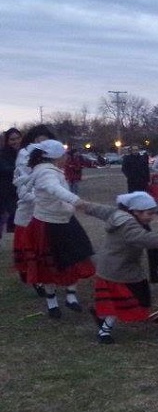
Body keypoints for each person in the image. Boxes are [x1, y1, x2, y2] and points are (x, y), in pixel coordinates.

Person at [84, 192, 158, 344]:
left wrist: (79, 203)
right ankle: (104, 332)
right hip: (117, 271)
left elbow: (95, 208)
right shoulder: (128, 223)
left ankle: (101, 317)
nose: (151, 217)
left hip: (118, 267)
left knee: (132, 297)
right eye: (149, 213)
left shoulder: (119, 214)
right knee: (121, 301)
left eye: (153, 213)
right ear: (136, 211)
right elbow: (143, 238)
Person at [27, 140, 95, 318]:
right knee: (49, 263)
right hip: (48, 223)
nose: (66, 157)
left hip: (65, 219)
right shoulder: (45, 173)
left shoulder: (50, 170)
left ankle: (71, 295)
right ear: (57, 156)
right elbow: (54, 189)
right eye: (64, 154)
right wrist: (76, 200)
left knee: (76, 256)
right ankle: (52, 301)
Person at [11, 124, 56, 293]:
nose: (42, 143)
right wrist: (37, 198)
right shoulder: (24, 156)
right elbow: (22, 185)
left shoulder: (53, 156)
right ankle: (33, 277)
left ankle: (45, 277)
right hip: (30, 208)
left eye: (45, 140)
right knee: (30, 247)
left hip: (49, 209)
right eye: (38, 140)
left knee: (46, 247)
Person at [0, 128, 23, 238]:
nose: (16, 141)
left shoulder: (25, 153)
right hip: (5, 194)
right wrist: (21, 168)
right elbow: (5, 169)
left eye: (18, 138)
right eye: (12, 139)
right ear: (7, 141)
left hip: (20, 194)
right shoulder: (3, 154)